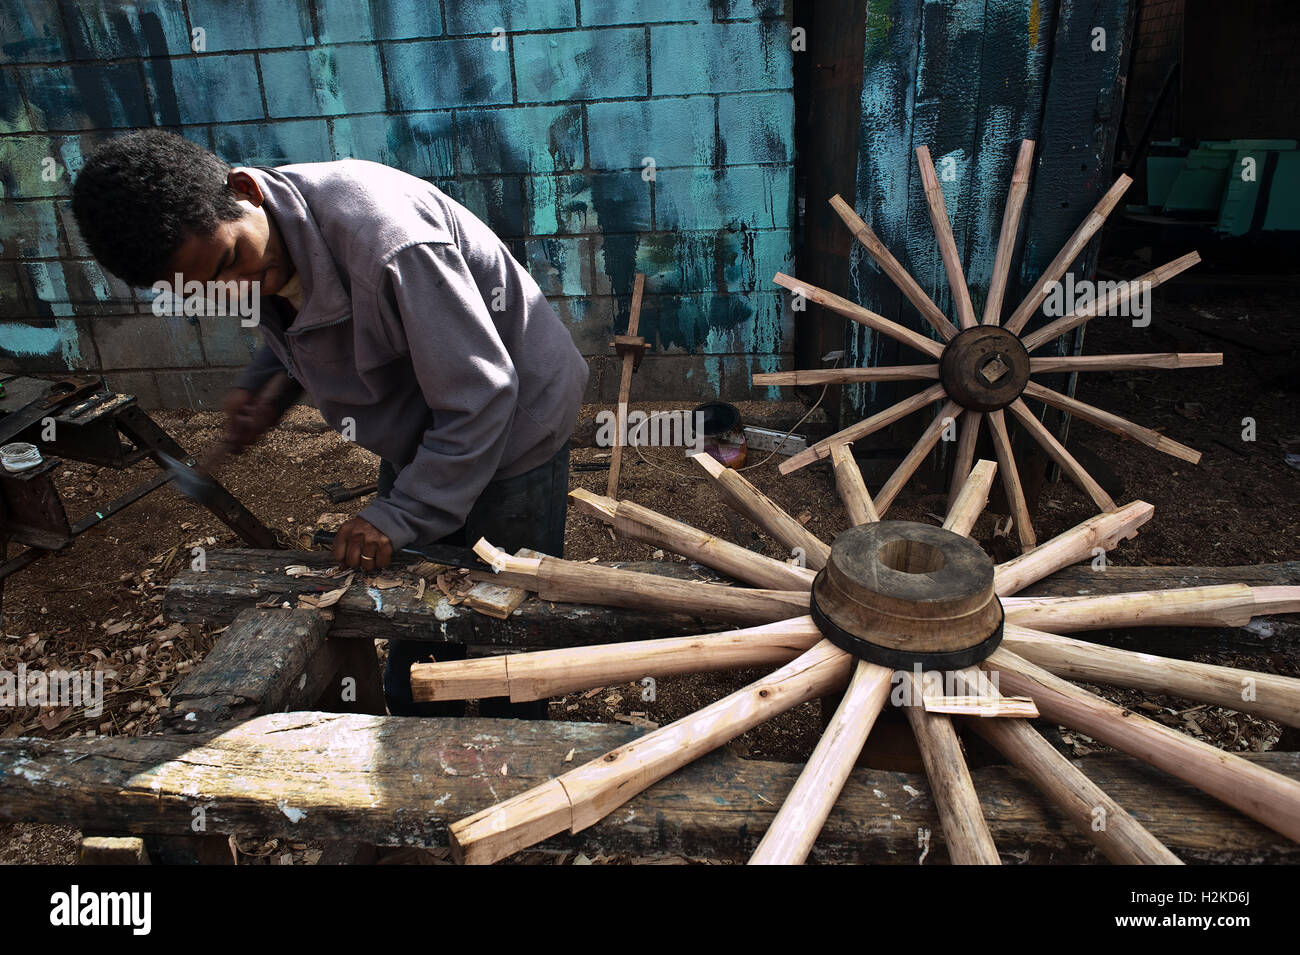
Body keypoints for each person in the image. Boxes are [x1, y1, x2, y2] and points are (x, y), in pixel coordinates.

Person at [72, 129, 587, 716]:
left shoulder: (391, 243)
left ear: (244, 190)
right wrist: (269, 386)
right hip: (429, 422)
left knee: (504, 612)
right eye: (206, 289)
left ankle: (513, 744)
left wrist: (401, 513)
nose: (235, 291)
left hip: (516, 419)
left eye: (230, 264)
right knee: (410, 592)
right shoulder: (258, 237)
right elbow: (310, 315)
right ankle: (418, 716)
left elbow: (482, 393)